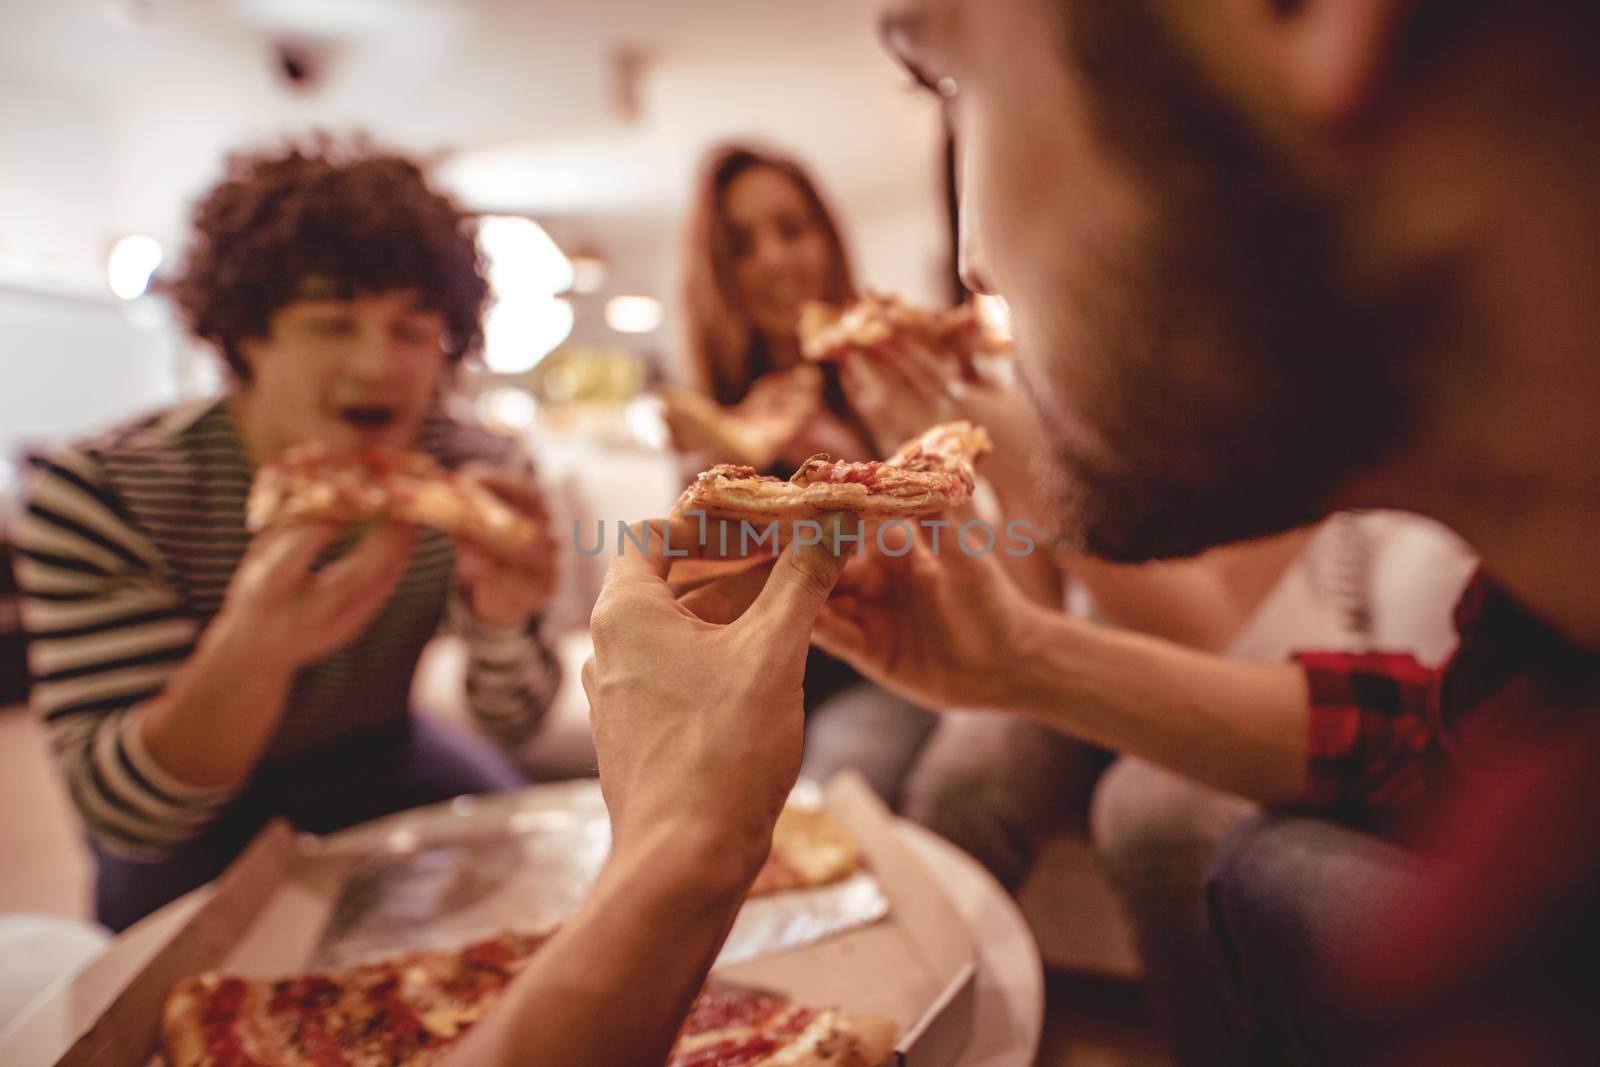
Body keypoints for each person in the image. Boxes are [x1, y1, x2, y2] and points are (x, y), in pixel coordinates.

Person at [455, 0, 1600, 1062]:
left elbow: (1100, 576)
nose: (968, 261)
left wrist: (671, 857)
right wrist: (1017, 659)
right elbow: (1421, 737)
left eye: (946, 72)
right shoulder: (1534, 668)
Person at [13, 140, 561, 932]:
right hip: (196, 814)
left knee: (543, 895)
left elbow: (517, 718)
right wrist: (254, 649)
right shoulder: (101, 490)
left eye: (412, 330)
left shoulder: (474, 469)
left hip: (384, 750)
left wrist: (505, 622)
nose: (379, 364)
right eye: (331, 324)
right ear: (245, 339)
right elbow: (128, 813)